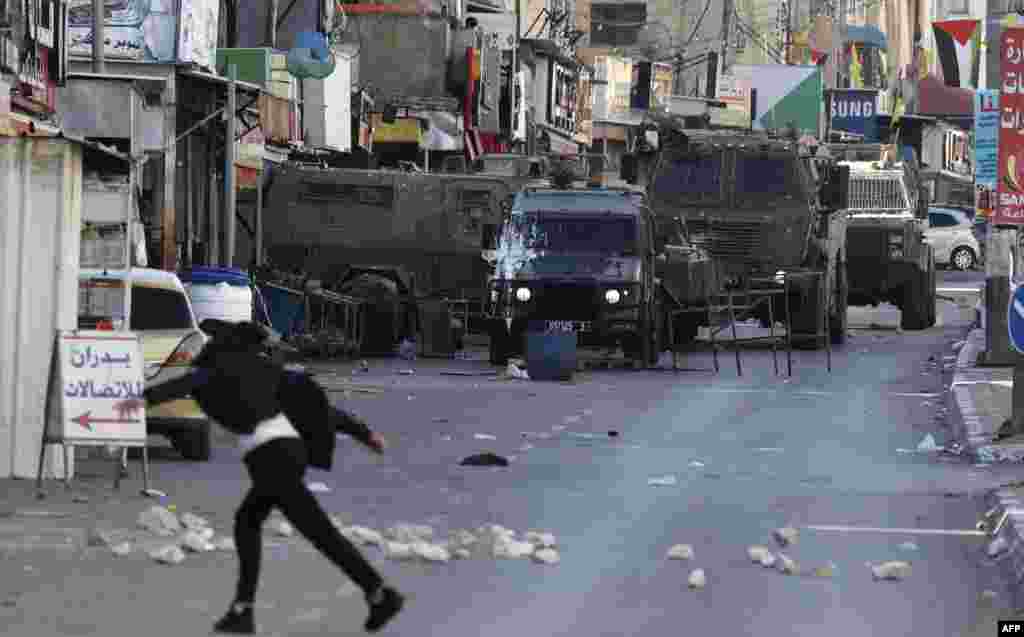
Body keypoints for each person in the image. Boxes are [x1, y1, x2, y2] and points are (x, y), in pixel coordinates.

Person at [114, 320, 404, 634]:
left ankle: (379, 593)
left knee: (318, 532)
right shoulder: (264, 372)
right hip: (287, 453)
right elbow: (322, 411)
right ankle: (243, 610)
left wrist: (138, 401)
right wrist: (365, 434)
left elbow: (179, 386)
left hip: (272, 459)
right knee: (248, 521)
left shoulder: (214, 370)